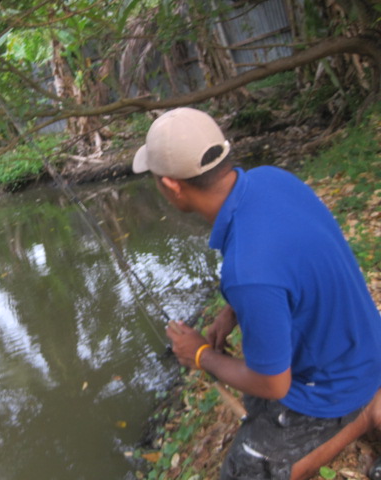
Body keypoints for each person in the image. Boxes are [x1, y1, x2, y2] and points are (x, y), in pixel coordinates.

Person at [131, 107, 381, 479]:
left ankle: (366, 414)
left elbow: (273, 383)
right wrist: (230, 312)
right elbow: (284, 261)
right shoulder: (270, 180)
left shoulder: (248, 271)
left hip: (340, 381)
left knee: (243, 472)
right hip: (362, 343)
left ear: (172, 185)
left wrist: (199, 354)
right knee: (255, 396)